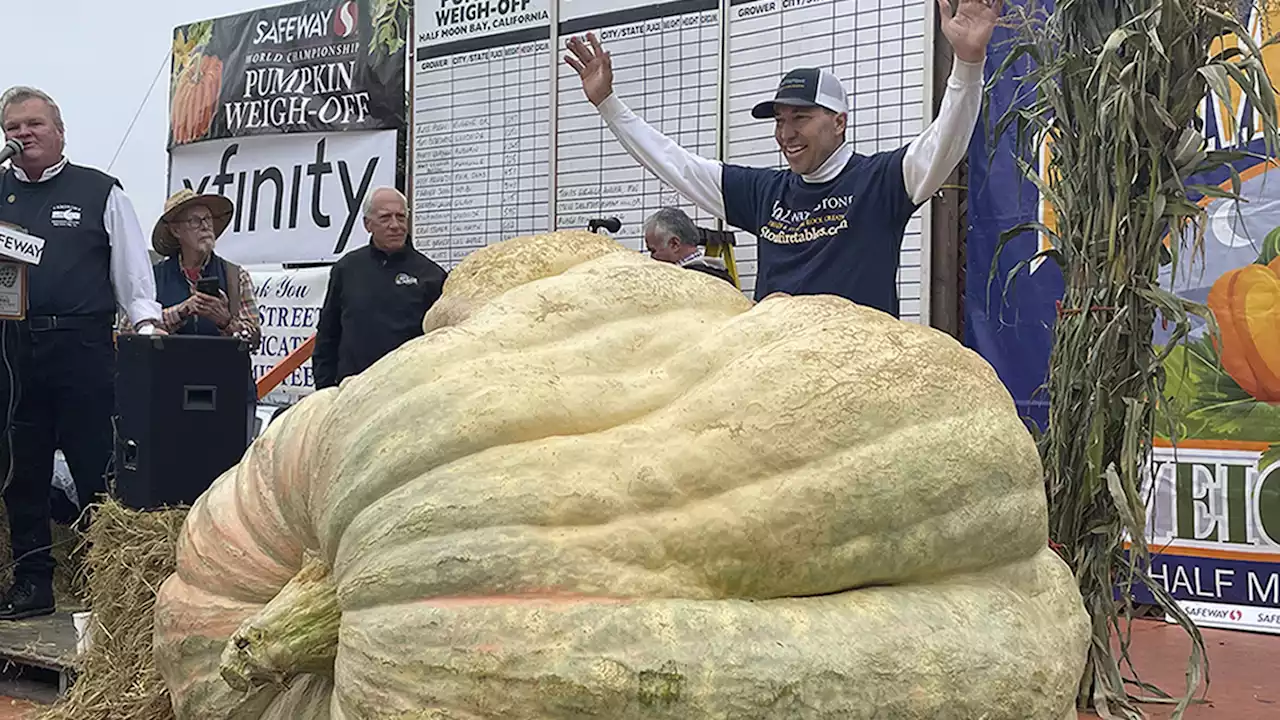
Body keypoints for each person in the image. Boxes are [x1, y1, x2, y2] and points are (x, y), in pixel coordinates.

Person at [564, 0, 1002, 318]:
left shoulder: (881, 182)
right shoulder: (763, 192)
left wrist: (967, 63)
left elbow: (946, 141)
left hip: (859, 380)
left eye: (801, 118)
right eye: (779, 120)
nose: (786, 133)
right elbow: (673, 162)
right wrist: (608, 105)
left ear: (839, 122)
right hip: (775, 380)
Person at [0, 85, 164, 620]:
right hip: (13, 352)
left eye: (33, 125)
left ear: (60, 130)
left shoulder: (99, 191)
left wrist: (145, 322)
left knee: (95, 464)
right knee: (21, 472)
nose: (22, 135)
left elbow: (133, 276)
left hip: (82, 347)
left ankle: (106, 583)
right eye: (12, 129)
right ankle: (31, 583)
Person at [313, 187, 447, 390]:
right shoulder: (347, 269)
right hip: (353, 391)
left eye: (401, 217)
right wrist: (325, 388)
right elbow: (328, 334)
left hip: (407, 391)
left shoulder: (432, 275)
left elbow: (442, 342)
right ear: (368, 224)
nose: (395, 225)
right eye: (385, 218)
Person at [643, 207, 735, 286]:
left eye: (653, 251)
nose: (651, 258)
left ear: (674, 244)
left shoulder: (675, 285)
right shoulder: (723, 279)